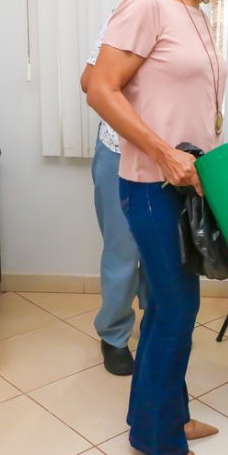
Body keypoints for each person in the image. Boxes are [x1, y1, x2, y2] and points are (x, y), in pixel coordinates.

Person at [83, 0, 228, 455]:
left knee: (174, 309)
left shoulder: (197, 14)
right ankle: (157, 439)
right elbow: (99, 88)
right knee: (174, 309)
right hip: (150, 185)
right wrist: (162, 151)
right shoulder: (146, 5)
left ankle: (168, 415)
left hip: (188, 184)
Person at [81, 31, 149, 375]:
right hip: (120, 149)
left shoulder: (195, 18)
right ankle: (115, 336)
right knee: (123, 252)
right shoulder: (126, 19)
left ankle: (156, 328)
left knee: (165, 252)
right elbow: (89, 81)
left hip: (170, 157)